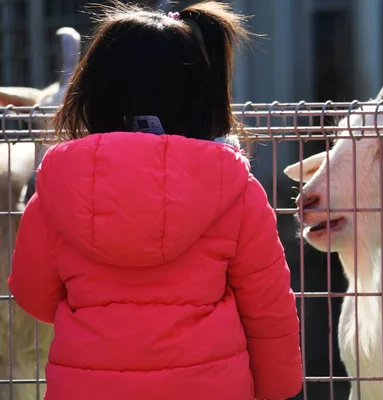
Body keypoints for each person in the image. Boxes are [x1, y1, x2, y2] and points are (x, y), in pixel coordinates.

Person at [7, 2, 303, 399]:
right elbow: (268, 311)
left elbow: (34, 297)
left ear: (92, 91)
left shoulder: (56, 189)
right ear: (201, 93)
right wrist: (278, 387)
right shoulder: (236, 190)